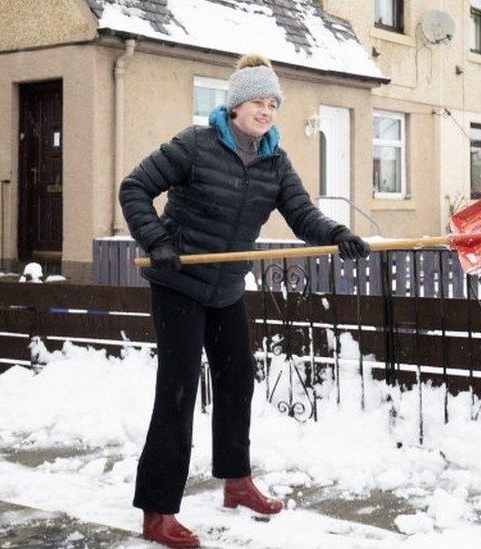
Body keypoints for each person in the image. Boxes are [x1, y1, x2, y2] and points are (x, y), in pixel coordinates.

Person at [119, 53, 370, 547]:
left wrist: (337, 233)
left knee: (237, 383)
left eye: (273, 102)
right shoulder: (195, 145)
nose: (267, 110)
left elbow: (301, 213)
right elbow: (135, 188)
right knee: (177, 395)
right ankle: (157, 511)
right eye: (258, 100)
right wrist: (158, 241)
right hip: (180, 286)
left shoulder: (275, 161)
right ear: (235, 105)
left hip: (227, 286)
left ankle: (236, 483)